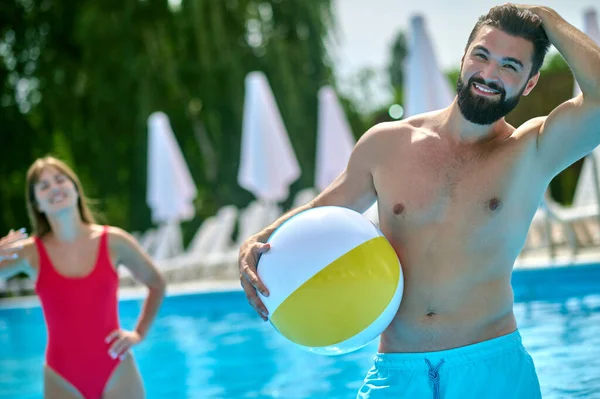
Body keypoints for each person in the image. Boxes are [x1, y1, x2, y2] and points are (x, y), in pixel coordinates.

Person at [238, 4, 600, 399]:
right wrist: (259, 240)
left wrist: (546, 16)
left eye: (511, 66)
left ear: (530, 83)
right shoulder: (387, 145)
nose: (489, 74)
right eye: (482, 55)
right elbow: (323, 212)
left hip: (491, 367)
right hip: (397, 371)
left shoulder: (531, 151)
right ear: (463, 58)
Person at [0, 156, 166, 399]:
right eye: (44, 186)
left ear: (75, 188)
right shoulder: (29, 252)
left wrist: (139, 333)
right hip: (61, 378)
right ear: (37, 204)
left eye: (59, 180)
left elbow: (156, 283)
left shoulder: (114, 241)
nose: (54, 188)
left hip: (117, 370)